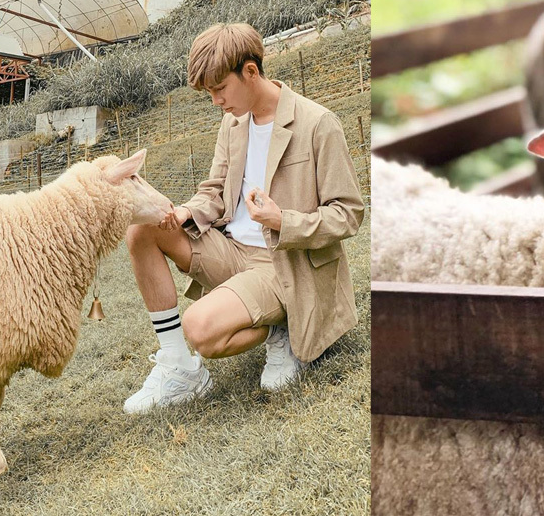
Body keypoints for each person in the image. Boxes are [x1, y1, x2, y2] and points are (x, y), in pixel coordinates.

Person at [122, 23, 364, 414]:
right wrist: (187, 211)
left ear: (250, 71)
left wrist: (282, 220)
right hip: (233, 250)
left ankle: (286, 327)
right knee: (143, 230)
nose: (216, 100)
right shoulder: (233, 124)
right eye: (209, 93)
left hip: (283, 261)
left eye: (220, 89)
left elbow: (348, 214)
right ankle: (179, 366)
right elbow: (216, 190)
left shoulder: (318, 124)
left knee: (200, 328)